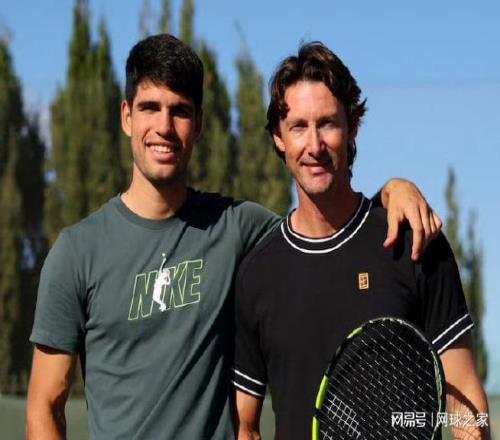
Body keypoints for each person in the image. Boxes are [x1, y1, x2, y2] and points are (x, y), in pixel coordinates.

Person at [27, 34, 440, 440]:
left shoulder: (239, 228)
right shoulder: (76, 253)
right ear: (126, 116)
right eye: (150, 107)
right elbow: (44, 406)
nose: (164, 127)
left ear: (199, 123)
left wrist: (391, 191)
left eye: (180, 111)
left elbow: (323, 232)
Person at [233, 42, 489, 440]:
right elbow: (245, 428)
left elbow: (467, 404)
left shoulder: (415, 241)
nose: (314, 146)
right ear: (278, 138)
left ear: (352, 126)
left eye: (327, 124)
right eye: (298, 127)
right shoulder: (256, 275)